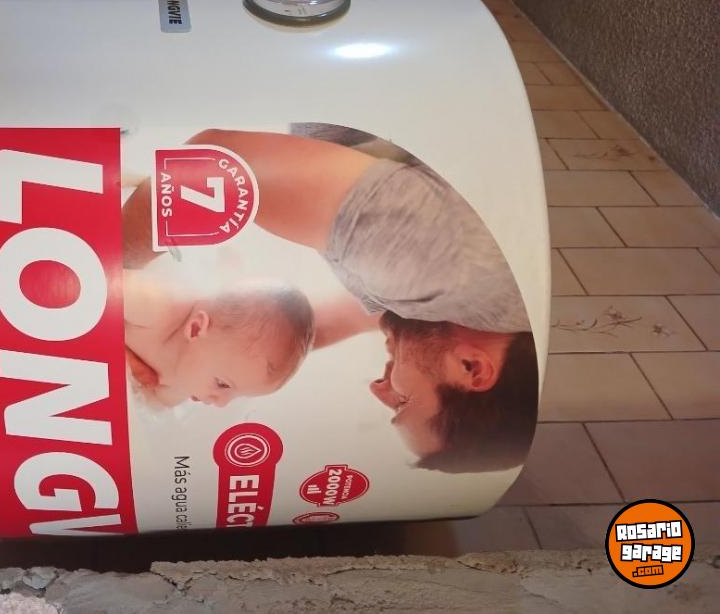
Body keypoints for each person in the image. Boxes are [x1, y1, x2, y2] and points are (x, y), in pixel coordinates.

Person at [122, 128, 537, 472]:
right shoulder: (440, 264)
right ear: (471, 368)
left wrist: (186, 369)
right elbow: (215, 166)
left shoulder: (456, 315)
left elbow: (297, 330)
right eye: (402, 402)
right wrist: (105, 280)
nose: (379, 389)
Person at [123, 269, 314, 409]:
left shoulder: (184, 382)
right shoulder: (159, 306)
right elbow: (106, 282)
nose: (221, 403)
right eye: (223, 384)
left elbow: (150, 404)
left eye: (236, 396)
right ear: (196, 329)